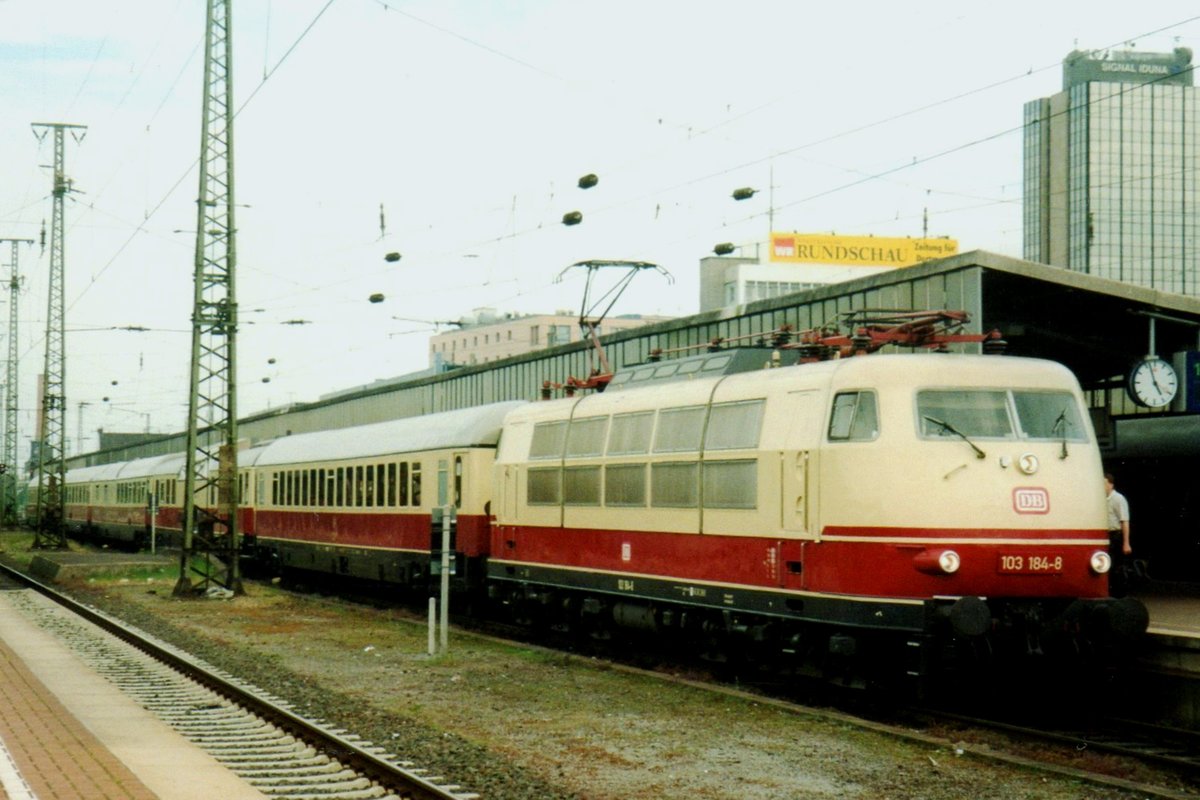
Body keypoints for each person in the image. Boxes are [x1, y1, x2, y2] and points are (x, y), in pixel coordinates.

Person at [1105, 473, 1131, 595]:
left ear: (1111, 484)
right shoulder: (1101, 499)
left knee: (1117, 567)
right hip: (1105, 535)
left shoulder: (1118, 499)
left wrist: (1126, 543)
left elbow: (1124, 521)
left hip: (1115, 535)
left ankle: (1119, 593)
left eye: (1104, 483)